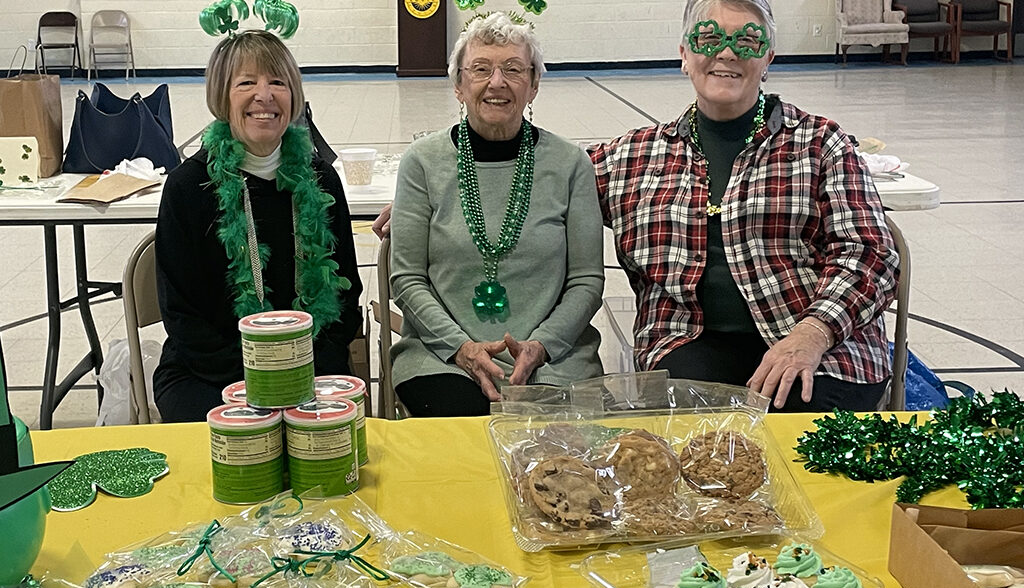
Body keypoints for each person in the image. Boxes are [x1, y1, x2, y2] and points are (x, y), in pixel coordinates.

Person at [587, 0, 899, 412]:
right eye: (709, 38)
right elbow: (550, 183)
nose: (728, 53)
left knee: (800, 444)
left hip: (819, 345)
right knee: (686, 448)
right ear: (685, 54)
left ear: (768, 56)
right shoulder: (633, 156)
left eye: (748, 41)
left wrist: (813, 333)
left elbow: (871, 254)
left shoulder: (821, 143)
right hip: (687, 341)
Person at [388, 12, 604, 417]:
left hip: (555, 360)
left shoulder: (570, 163)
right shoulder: (423, 163)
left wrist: (541, 346)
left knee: (559, 459)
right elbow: (407, 279)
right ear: (458, 85)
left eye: (513, 69)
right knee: (462, 441)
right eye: (481, 69)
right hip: (442, 357)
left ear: (534, 85)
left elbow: (587, 280)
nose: (497, 82)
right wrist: (460, 348)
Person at [154, 30, 362, 422]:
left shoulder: (321, 181)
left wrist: (307, 369)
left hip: (311, 368)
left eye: (277, 83)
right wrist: (256, 380)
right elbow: (182, 314)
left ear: (293, 96)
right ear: (222, 96)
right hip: (208, 372)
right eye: (246, 82)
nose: (264, 96)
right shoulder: (189, 187)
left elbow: (346, 293)